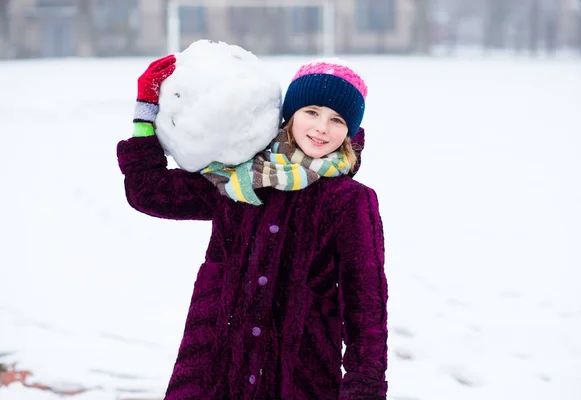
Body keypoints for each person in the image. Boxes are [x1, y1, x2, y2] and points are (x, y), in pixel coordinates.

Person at [116, 54, 388, 400]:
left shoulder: (349, 200)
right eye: (311, 112)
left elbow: (366, 302)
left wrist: (365, 386)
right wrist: (146, 114)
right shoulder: (238, 176)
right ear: (290, 115)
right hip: (214, 365)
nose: (322, 127)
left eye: (337, 119)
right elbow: (150, 193)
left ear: (350, 130)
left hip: (298, 374)